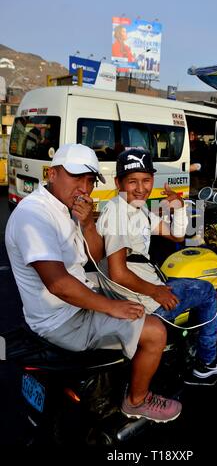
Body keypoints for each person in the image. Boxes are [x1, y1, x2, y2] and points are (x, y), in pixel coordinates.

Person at [5, 143, 182, 424]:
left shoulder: (65, 207)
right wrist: (112, 307)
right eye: (76, 177)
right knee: (156, 330)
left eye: (89, 181)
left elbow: (95, 256)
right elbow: (59, 284)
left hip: (74, 300)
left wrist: (87, 224)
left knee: (135, 300)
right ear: (52, 174)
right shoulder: (34, 215)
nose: (84, 188)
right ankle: (137, 400)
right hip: (61, 319)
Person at [96, 148, 217, 390]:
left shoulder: (137, 208)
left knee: (182, 281)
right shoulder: (117, 213)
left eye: (146, 180)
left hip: (143, 288)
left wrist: (178, 207)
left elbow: (177, 234)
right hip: (143, 298)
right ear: (118, 182)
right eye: (132, 181)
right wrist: (157, 293)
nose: (140, 188)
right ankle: (206, 364)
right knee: (207, 290)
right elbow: (118, 272)